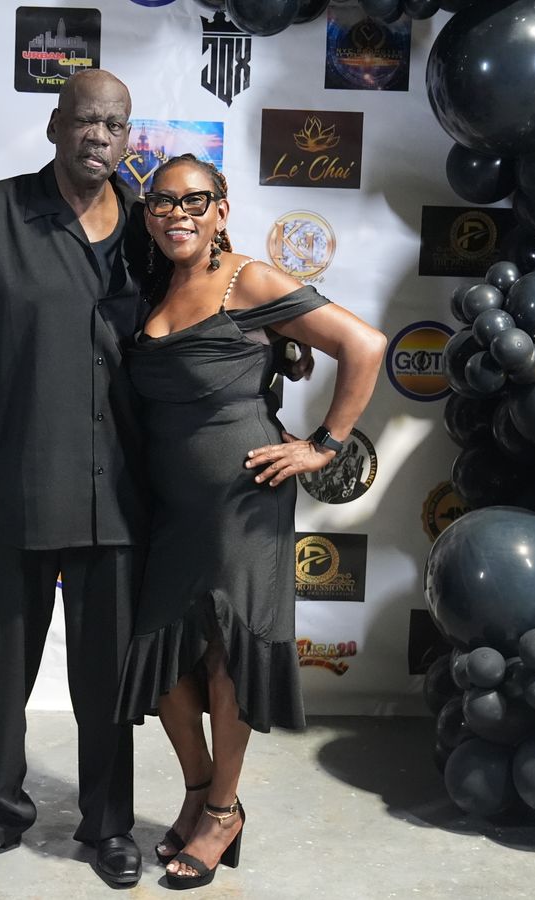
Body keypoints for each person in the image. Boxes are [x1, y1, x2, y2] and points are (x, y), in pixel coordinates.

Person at [115, 154, 387, 889]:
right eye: (162, 202)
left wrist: (322, 445)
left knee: (225, 654)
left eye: (195, 201)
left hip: (243, 499)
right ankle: (200, 789)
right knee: (161, 655)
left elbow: (364, 345)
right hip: (170, 505)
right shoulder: (153, 285)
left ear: (222, 211)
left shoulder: (250, 280)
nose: (178, 214)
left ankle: (222, 811)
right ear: (148, 214)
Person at [0, 70, 147, 887]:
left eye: (115, 124)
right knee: (4, 673)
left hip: (119, 491)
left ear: (128, 137)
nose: (100, 136)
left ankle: (109, 825)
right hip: (18, 478)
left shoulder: (150, 228)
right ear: (56, 125)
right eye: (86, 119)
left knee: (106, 679)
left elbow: (201, 324)